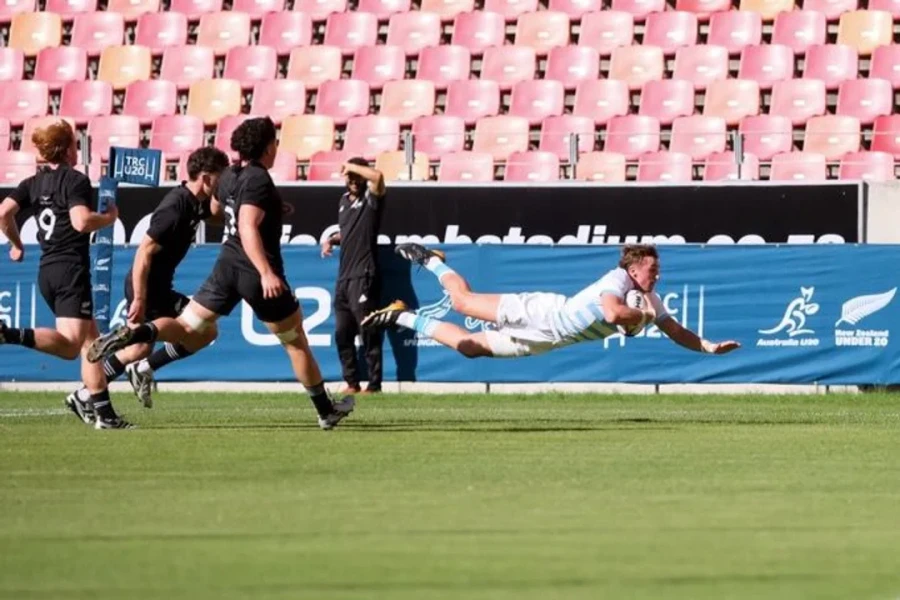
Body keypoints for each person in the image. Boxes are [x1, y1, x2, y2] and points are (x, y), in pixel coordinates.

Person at [87, 117, 355, 430]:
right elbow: (246, 225)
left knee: (188, 328)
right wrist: (266, 272)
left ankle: (139, 333)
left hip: (225, 268)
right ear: (268, 147)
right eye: (275, 142)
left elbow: (221, 210)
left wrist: (272, 208)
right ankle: (326, 411)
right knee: (295, 342)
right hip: (254, 271)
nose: (277, 146)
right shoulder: (258, 179)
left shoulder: (230, 176)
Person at [362, 243, 741, 359]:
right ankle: (431, 260)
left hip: (549, 338)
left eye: (657, 271)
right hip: (541, 310)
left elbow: (674, 330)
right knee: (461, 302)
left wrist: (707, 346)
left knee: (469, 347)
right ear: (635, 269)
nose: (657, 275)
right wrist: (639, 320)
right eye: (652, 270)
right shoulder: (617, 278)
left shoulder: (650, 300)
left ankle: (402, 316)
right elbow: (613, 311)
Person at [67, 147, 230, 414]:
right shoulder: (176, 206)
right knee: (187, 332)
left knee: (191, 335)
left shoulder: (195, 203)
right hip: (146, 286)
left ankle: (103, 386)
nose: (223, 182)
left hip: (160, 287)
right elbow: (144, 251)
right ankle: (96, 388)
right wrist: (140, 298)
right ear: (206, 178)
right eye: (221, 177)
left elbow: (215, 216)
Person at [0, 120, 132, 429]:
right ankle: (9, 334)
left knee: (92, 343)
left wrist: (16, 244)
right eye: (74, 142)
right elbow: (81, 222)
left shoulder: (33, 182)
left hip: (47, 270)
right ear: (68, 148)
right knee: (73, 345)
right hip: (70, 269)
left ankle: (104, 414)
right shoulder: (75, 180)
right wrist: (109, 217)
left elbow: (4, 212)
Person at [320, 157, 386, 395]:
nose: (353, 181)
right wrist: (331, 240)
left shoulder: (371, 200)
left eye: (357, 176)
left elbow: (377, 178)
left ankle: (375, 384)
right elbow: (347, 232)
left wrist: (352, 167)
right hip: (343, 279)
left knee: (368, 331)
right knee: (341, 333)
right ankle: (351, 382)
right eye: (349, 176)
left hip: (364, 276)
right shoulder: (343, 201)